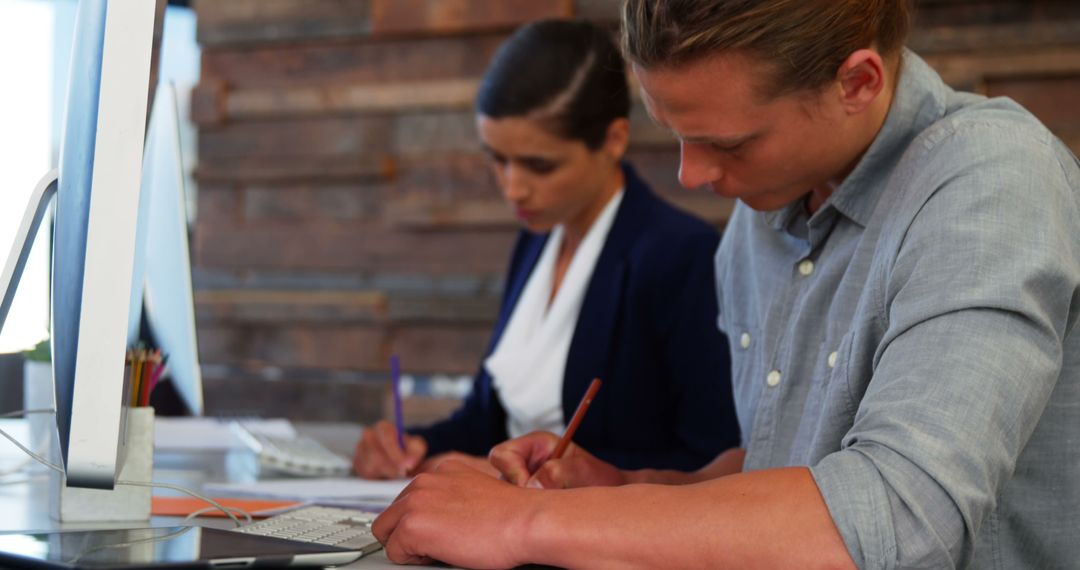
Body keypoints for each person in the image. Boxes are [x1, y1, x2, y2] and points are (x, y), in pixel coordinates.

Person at [371, 1, 1080, 568]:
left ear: (857, 82)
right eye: (675, 133)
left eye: (730, 143)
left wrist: (530, 523)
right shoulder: (762, 214)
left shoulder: (991, 182)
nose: (690, 176)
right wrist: (629, 490)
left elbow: (897, 521)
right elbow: (780, 464)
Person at [353, 19, 740, 480]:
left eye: (539, 165)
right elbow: (486, 421)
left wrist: (521, 476)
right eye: (497, 159)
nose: (513, 189)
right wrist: (412, 448)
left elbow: (710, 463)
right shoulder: (537, 240)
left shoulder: (679, 254)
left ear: (614, 140)